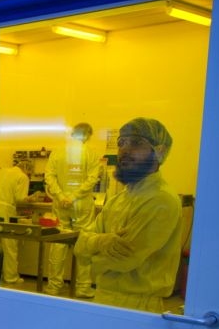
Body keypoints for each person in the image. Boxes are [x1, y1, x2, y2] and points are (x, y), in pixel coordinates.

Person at [74, 118, 182, 313]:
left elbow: (125, 260)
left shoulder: (161, 200)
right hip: (103, 297)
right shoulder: (118, 200)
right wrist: (103, 243)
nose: (124, 150)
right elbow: (80, 248)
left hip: (138, 306)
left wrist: (94, 257)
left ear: (160, 151)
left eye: (136, 143)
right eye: (121, 143)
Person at [44, 122, 105, 297]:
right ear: (87, 135)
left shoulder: (57, 152)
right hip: (82, 204)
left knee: (58, 242)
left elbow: (49, 176)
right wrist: (74, 197)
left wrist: (62, 196)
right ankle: (83, 286)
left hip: (60, 203)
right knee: (83, 243)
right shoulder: (91, 154)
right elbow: (92, 179)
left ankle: (54, 286)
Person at [0, 158, 37, 286]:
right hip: (5, 210)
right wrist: (32, 198)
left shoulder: (0, 171)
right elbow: (20, 199)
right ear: (28, 170)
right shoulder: (22, 176)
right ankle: (11, 277)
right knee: (9, 245)